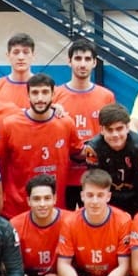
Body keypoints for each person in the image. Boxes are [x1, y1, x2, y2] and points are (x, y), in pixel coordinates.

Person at [0, 73, 83, 217]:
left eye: (45, 92)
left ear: (53, 94)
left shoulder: (66, 123)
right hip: (16, 210)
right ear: (28, 95)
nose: (40, 98)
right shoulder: (10, 124)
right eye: (35, 93)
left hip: (55, 210)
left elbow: (79, 152)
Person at [53, 38, 116, 210]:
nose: (83, 64)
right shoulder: (55, 95)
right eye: (78, 58)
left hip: (94, 175)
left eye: (87, 59)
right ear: (69, 61)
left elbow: (112, 134)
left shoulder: (106, 96)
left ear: (94, 63)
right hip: (64, 176)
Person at [83, 103, 138, 215]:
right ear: (102, 130)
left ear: (127, 127)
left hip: (135, 198)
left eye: (119, 128)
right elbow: (95, 184)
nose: (115, 134)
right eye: (110, 130)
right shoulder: (94, 148)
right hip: (107, 200)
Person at [0, 32, 37, 108]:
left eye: (26, 52)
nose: (21, 57)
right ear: (8, 56)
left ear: (33, 55)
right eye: (16, 52)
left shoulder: (46, 88)